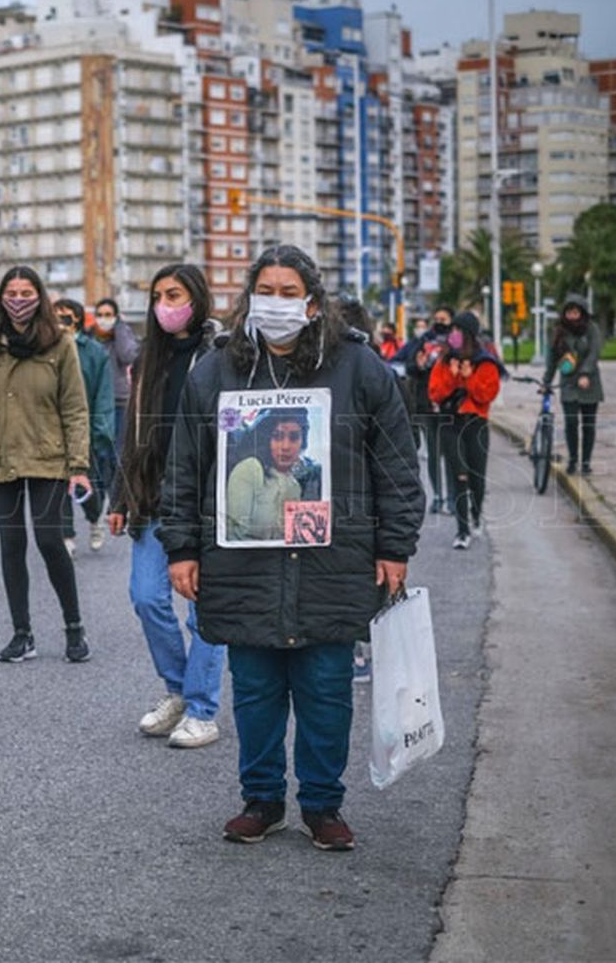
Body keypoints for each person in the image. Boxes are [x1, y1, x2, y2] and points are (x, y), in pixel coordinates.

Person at [158, 244, 423, 851]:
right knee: (254, 689)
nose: (276, 303)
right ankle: (262, 800)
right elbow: (184, 469)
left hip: (335, 560)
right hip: (241, 563)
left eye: (288, 292)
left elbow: (398, 467)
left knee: (326, 689)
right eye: (265, 291)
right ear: (249, 298)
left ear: (311, 300)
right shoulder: (216, 371)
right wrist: (182, 548)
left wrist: (395, 545)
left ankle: (323, 805)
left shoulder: (359, 367)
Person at [108, 263, 227, 749]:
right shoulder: (148, 359)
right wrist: (119, 495)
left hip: (209, 499)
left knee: (205, 611)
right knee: (147, 596)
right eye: (158, 295)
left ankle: (202, 710)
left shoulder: (222, 354)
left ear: (196, 298)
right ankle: (178, 691)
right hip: (154, 496)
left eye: (173, 294)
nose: (164, 305)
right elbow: (133, 433)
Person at [0, 265, 93, 664]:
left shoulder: (59, 343)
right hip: (1, 454)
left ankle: (74, 627)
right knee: (11, 545)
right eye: (12, 292)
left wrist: (78, 463)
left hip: (47, 455)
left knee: (49, 540)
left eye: (26, 293)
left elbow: (75, 407)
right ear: (1, 297)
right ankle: (22, 634)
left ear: (39, 297)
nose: (18, 300)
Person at [429, 311, 503, 550]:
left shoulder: (485, 362)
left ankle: (476, 511)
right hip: (451, 424)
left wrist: (469, 378)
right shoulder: (444, 362)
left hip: (475, 425)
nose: (453, 335)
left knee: (476, 477)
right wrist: (452, 376)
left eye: (458, 331)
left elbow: (487, 395)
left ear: (469, 334)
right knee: (459, 475)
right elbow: (436, 393)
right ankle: (462, 530)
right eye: (452, 331)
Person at [53, 299, 115, 553]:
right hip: (53, 429)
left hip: (83, 428)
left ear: (77, 318)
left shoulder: (93, 351)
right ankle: (67, 536)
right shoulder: (47, 348)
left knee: (84, 483)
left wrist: (101, 430)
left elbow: (103, 392)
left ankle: (94, 519)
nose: (60, 321)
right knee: (57, 485)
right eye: (55, 316)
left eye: (65, 316)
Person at [393, 306, 456, 514]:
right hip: (426, 403)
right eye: (436, 318)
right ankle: (437, 495)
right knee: (433, 452)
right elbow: (408, 365)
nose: (439, 322)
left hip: (450, 405)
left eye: (443, 318)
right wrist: (419, 365)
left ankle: (453, 498)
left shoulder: (456, 340)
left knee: (452, 454)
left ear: (451, 321)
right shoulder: (424, 341)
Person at [223, 408, 318, 543]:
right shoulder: (250, 469)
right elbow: (234, 535)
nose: (285, 446)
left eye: (294, 437)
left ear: (302, 442)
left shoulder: (294, 485)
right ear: (266, 440)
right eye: (277, 436)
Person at [542, 294, 604, 475]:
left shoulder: (591, 329)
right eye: (569, 311)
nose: (572, 315)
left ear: (583, 313)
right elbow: (552, 359)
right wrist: (546, 381)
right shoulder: (559, 331)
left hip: (589, 383)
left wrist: (585, 373)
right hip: (568, 383)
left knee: (588, 424)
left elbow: (594, 353)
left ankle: (586, 462)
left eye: (576, 312)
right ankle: (573, 460)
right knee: (570, 422)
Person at [92, 298, 140, 451]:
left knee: (117, 450)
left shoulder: (122, 336)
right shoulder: (89, 337)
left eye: (108, 315)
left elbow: (128, 356)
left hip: (118, 401)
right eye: (100, 315)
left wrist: (119, 328)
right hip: (94, 403)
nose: (103, 319)